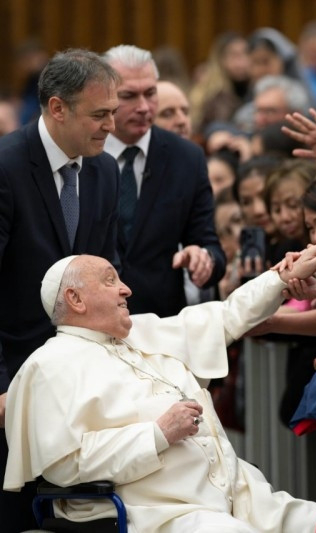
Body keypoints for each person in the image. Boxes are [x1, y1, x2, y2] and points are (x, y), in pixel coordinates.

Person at [4, 251, 316, 532]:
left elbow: (227, 316)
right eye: (109, 281)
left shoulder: (143, 330)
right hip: (158, 511)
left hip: (244, 497)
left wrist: (283, 277)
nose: (126, 289)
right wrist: (158, 433)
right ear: (75, 299)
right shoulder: (49, 365)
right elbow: (65, 464)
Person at [0, 49, 121, 532]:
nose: (112, 125)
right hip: (13, 379)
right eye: (100, 114)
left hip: (81, 384)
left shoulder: (105, 170)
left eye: (112, 112)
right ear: (57, 108)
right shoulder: (6, 166)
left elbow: (107, 271)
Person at [104, 45, 226, 317]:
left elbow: (210, 245)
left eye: (150, 93)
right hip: (91, 320)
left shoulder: (187, 157)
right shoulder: (83, 152)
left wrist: (203, 259)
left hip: (161, 322)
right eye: (128, 96)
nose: (143, 107)